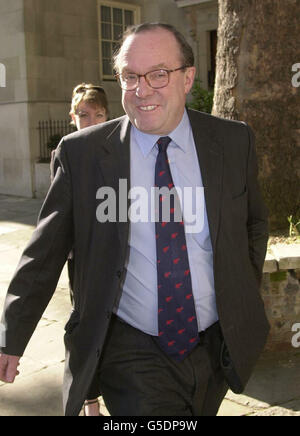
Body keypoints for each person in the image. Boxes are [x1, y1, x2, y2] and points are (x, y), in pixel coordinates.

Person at [0, 22, 270, 416]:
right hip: (131, 350)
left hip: (218, 345)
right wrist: (12, 334)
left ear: (187, 77)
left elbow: (253, 226)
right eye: (129, 76)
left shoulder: (233, 141)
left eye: (158, 74)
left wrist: (240, 295)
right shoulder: (83, 155)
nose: (142, 90)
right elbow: (44, 252)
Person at [51, 83, 110, 416]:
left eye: (98, 114)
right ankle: (90, 402)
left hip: (116, 255)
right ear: (73, 116)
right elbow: (59, 214)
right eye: (84, 115)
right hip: (84, 261)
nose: (91, 122)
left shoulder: (119, 147)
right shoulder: (66, 151)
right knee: (85, 328)